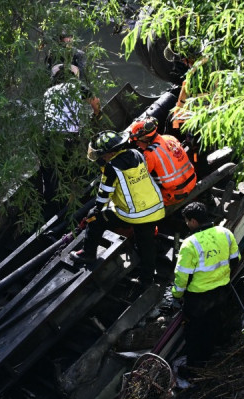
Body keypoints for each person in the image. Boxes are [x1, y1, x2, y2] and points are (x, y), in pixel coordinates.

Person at [69, 130, 165, 284]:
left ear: (110, 153)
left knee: (95, 218)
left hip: (134, 214)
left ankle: (88, 254)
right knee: (146, 244)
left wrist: (95, 211)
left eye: (102, 154)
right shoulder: (137, 154)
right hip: (155, 209)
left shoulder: (112, 167)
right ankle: (146, 279)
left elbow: (103, 197)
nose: (100, 158)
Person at [171, 202, 241, 369]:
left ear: (194, 221)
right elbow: (235, 260)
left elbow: (182, 277)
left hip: (198, 298)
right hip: (222, 291)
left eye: (187, 221)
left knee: (194, 333)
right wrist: (223, 278)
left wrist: (176, 296)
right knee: (213, 324)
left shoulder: (189, 244)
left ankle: (195, 367)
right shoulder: (225, 233)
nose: (187, 225)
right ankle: (212, 355)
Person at [39, 63, 101, 216]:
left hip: (47, 138)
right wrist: (96, 114)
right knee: (71, 172)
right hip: (66, 139)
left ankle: (50, 210)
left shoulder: (48, 92)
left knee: (50, 178)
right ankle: (67, 208)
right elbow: (95, 102)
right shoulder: (76, 87)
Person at [128, 116, 197, 207]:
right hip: (192, 181)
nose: (137, 144)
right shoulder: (170, 138)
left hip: (175, 195)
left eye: (137, 141)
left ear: (145, 138)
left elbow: (140, 178)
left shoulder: (149, 154)